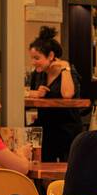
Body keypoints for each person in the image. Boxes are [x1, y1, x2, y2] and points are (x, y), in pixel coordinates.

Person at [27, 26, 84, 162]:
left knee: (68, 166)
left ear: (51, 56)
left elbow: (67, 94)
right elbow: (29, 92)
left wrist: (65, 68)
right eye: (32, 58)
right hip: (45, 127)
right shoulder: (38, 74)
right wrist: (35, 93)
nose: (33, 62)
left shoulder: (69, 71)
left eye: (37, 58)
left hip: (67, 128)